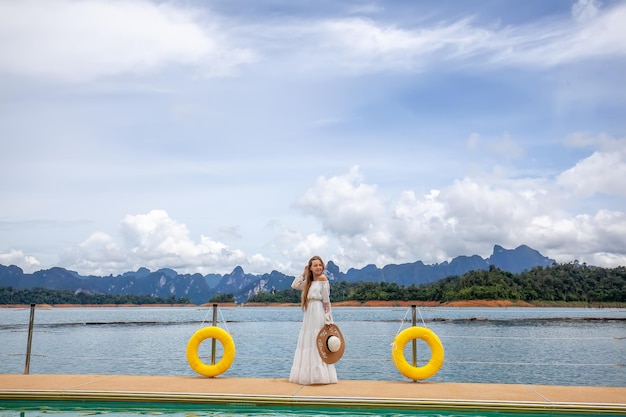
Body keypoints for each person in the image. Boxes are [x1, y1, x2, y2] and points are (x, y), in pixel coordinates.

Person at [288, 255, 338, 385]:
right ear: (310, 267)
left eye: (320, 265)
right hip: (309, 313)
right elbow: (294, 285)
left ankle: (320, 376)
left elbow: (327, 301)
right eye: (315, 265)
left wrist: (329, 320)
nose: (318, 267)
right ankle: (308, 375)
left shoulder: (323, 279)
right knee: (308, 341)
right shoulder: (308, 283)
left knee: (317, 341)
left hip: (318, 312)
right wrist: (304, 273)